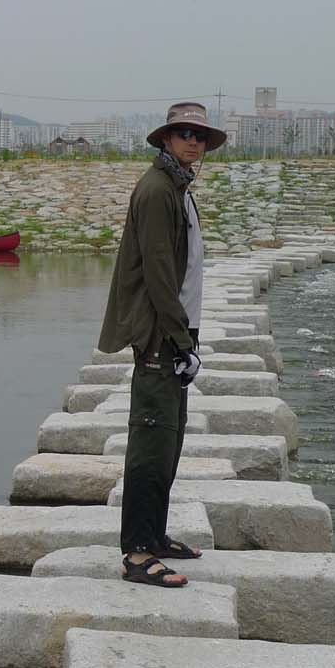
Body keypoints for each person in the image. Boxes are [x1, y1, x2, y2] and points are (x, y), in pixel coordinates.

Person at [96, 101, 226, 586]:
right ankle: (135, 554)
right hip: (158, 335)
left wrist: (188, 336)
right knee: (150, 443)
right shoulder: (156, 190)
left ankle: (155, 536)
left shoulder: (178, 186)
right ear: (166, 139)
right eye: (184, 133)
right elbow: (157, 272)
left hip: (177, 331)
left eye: (199, 135)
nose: (193, 141)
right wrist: (176, 338)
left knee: (169, 439)